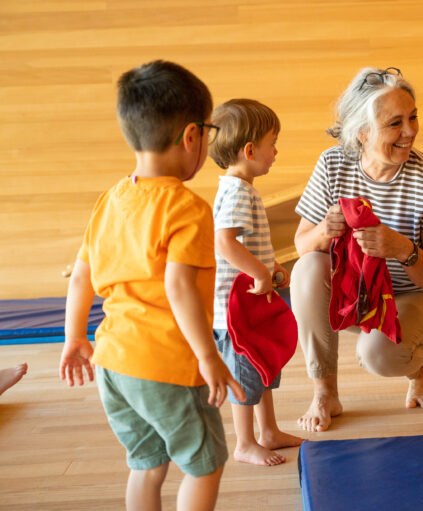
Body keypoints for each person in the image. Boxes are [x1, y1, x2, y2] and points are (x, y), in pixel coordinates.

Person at [58, 60, 245, 511]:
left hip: (113, 364)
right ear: (191, 137)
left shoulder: (111, 199)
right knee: (205, 463)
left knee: (146, 463)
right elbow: (178, 287)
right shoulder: (188, 208)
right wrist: (208, 357)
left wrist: (73, 337)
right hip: (165, 367)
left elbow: (81, 274)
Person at [291, 67, 423, 432]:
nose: (411, 131)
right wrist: (324, 230)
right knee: (306, 269)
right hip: (363, 296)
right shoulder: (332, 163)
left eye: (413, 117)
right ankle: (325, 393)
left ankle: (418, 365)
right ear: (362, 132)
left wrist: (402, 248)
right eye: (395, 123)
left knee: (378, 355)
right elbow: (302, 244)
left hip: (422, 297)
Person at [208, 98, 303, 466]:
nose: (276, 151)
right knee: (246, 375)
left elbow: (245, 244)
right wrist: (260, 273)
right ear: (249, 150)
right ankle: (245, 442)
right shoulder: (235, 191)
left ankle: (269, 432)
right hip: (235, 312)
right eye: (272, 142)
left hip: (250, 303)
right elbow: (224, 242)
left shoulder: (242, 189)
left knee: (262, 365)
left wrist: (270, 264)